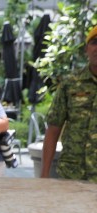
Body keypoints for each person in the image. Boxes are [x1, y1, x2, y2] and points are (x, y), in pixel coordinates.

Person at [41, 25, 97, 182]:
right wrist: (44, 175)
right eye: (94, 42)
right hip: (72, 174)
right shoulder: (70, 84)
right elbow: (53, 129)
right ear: (86, 49)